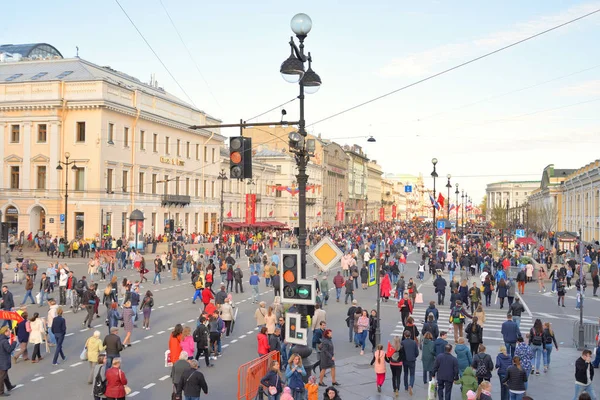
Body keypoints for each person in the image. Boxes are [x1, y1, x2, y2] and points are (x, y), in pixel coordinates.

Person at [0, 326, 17, 396]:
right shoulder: (4, 341)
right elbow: (9, 349)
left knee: (5, 374)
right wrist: (14, 342)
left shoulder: (1, 339)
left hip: (1, 359)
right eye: (8, 331)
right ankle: (1, 392)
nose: (10, 332)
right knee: (2, 376)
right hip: (3, 360)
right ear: (5, 332)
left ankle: (9, 386)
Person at [402, 329, 419, 395]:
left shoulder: (403, 342)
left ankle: (406, 387)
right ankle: (411, 385)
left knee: (405, 373)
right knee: (412, 374)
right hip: (412, 360)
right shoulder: (414, 342)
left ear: (404, 335)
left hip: (405, 360)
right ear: (410, 335)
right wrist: (414, 356)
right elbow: (417, 352)